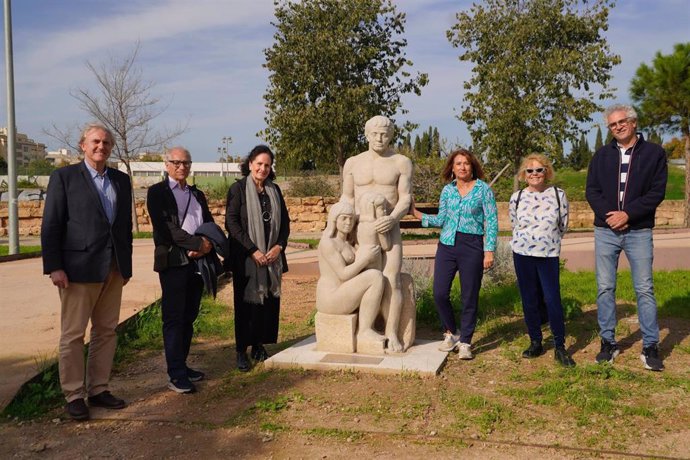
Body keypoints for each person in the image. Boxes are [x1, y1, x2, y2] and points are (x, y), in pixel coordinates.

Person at [41, 123, 132, 420]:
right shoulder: (64, 177)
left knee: (106, 332)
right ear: (82, 145)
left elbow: (123, 228)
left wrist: (126, 265)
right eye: (95, 141)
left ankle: (99, 389)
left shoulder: (120, 179)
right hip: (78, 270)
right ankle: (74, 394)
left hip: (113, 269)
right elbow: (52, 225)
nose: (101, 147)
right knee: (73, 334)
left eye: (106, 143)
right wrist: (54, 266)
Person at [586, 104, 667, 371]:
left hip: (639, 230)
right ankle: (608, 342)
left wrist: (628, 214)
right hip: (605, 231)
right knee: (605, 287)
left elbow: (656, 193)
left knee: (644, 288)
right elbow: (592, 191)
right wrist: (610, 216)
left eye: (622, 122)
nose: (617, 127)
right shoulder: (600, 156)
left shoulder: (654, 153)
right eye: (612, 124)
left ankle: (650, 345)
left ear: (633, 122)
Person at [409, 149, 498, 360]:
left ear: (472, 166)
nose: (462, 167)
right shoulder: (447, 191)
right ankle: (450, 332)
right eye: (458, 163)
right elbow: (441, 219)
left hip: (472, 245)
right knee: (439, 293)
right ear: (452, 167)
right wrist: (416, 213)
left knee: (469, 296)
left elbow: (492, 221)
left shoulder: (483, 190)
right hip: (447, 245)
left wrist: (489, 250)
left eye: (466, 163)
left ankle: (466, 341)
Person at [341, 115, 412, 352]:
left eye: (384, 134)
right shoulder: (353, 163)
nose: (380, 138)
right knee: (365, 279)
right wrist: (341, 226)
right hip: (361, 230)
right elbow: (347, 197)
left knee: (391, 279)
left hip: (389, 228)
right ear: (367, 135)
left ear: (391, 135)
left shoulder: (401, 162)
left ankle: (392, 332)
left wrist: (393, 218)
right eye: (375, 134)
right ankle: (365, 331)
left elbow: (405, 198)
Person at [146, 147, 215, 394]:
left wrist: (208, 246)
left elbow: (207, 223)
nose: (181, 167)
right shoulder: (157, 193)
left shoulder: (197, 194)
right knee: (174, 318)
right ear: (167, 165)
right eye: (176, 162)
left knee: (189, 316)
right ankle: (175, 374)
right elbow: (167, 230)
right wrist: (198, 245)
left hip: (198, 263)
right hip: (174, 262)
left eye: (186, 162)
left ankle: (182, 366)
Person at [225, 145, 290, 372]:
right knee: (245, 306)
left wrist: (278, 247)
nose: (263, 168)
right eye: (259, 164)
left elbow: (285, 223)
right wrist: (253, 250)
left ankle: (259, 345)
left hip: (271, 258)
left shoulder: (275, 190)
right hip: (246, 258)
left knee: (267, 304)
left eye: (267, 165)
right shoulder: (238, 189)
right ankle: (242, 351)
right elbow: (231, 223)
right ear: (250, 163)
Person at [509, 154, 575, 367]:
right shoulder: (517, 197)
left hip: (548, 255)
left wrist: (548, 240)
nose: (535, 174)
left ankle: (560, 346)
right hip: (522, 254)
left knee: (552, 299)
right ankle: (535, 341)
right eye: (530, 171)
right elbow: (515, 224)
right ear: (524, 174)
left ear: (546, 172)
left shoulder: (558, 194)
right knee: (529, 299)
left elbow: (563, 225)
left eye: (539, 170)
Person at [316, 200, 385, 344]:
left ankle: (368, 327)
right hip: (330, 297)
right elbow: (343, 274)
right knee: (375, 277)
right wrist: (365, 259)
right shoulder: (328, 243)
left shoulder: (348, 243)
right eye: (344, 218)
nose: (348, 222)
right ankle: (364, 330)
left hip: (341, 291)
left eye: (351, 219)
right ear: (334, 220)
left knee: (375, 275)